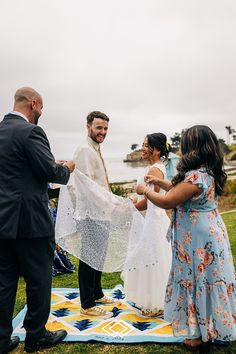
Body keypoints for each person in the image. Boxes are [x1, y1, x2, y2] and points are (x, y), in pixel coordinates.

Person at [136, 125, 236, 351]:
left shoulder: (195, 176)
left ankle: (196, 336)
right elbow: (179, 189)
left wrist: (145, 190)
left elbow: (167, 201)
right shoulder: (208, 172)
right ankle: (213, 328)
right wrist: (160, 182)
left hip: (197, 240)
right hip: (209, 232)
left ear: (193, 147)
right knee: (209, 280)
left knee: (196, 281)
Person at [0, 87, 75, 354]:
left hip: (3, 221)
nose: (41, 113)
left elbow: (18, 174)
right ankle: (36, 335)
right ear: (33, 104)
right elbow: (49, 170)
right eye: (41, 108)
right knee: (39, 278)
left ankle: (1, 339)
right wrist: (66, 168)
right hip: (30, 221)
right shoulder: (31, 132)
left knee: (5, 282)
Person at [123, 133, 172, 317]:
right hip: (152, 219)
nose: (142, 149)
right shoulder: (156, 167)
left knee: (153, 259)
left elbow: (151, 201)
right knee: (154, 258)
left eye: (146, 145)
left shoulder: (153, 170)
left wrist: (129, 207)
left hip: (154, 221)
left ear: (156, 149)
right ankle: (157, 300)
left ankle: (155, 303)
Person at [73, 111, 116, 318]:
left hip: (103, 212)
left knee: (99, 257)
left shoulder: (95, 149)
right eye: (99, 127)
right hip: (91, 214)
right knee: (89, 258)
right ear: (88, 126)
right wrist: (112, 203)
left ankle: (97, 293)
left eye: (106, 128)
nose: (103, 132)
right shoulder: (84, 150)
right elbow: (87, 187)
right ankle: (87, 304)